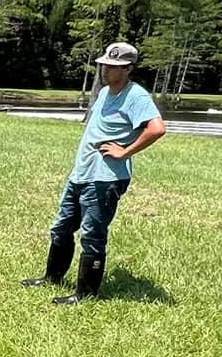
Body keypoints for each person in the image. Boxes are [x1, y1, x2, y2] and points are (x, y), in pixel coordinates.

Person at [24, 40, 166, 305]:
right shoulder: (104, 93)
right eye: (104, 65)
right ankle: (52, 277)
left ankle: (85, 295)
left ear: (129, 69)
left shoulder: (136, 96)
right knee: (61, 227)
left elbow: (157, 128)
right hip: (82, 173)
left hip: (106, 178)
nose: (105, 70)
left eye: (113, 66)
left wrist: (124, 152)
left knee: (92, 234)